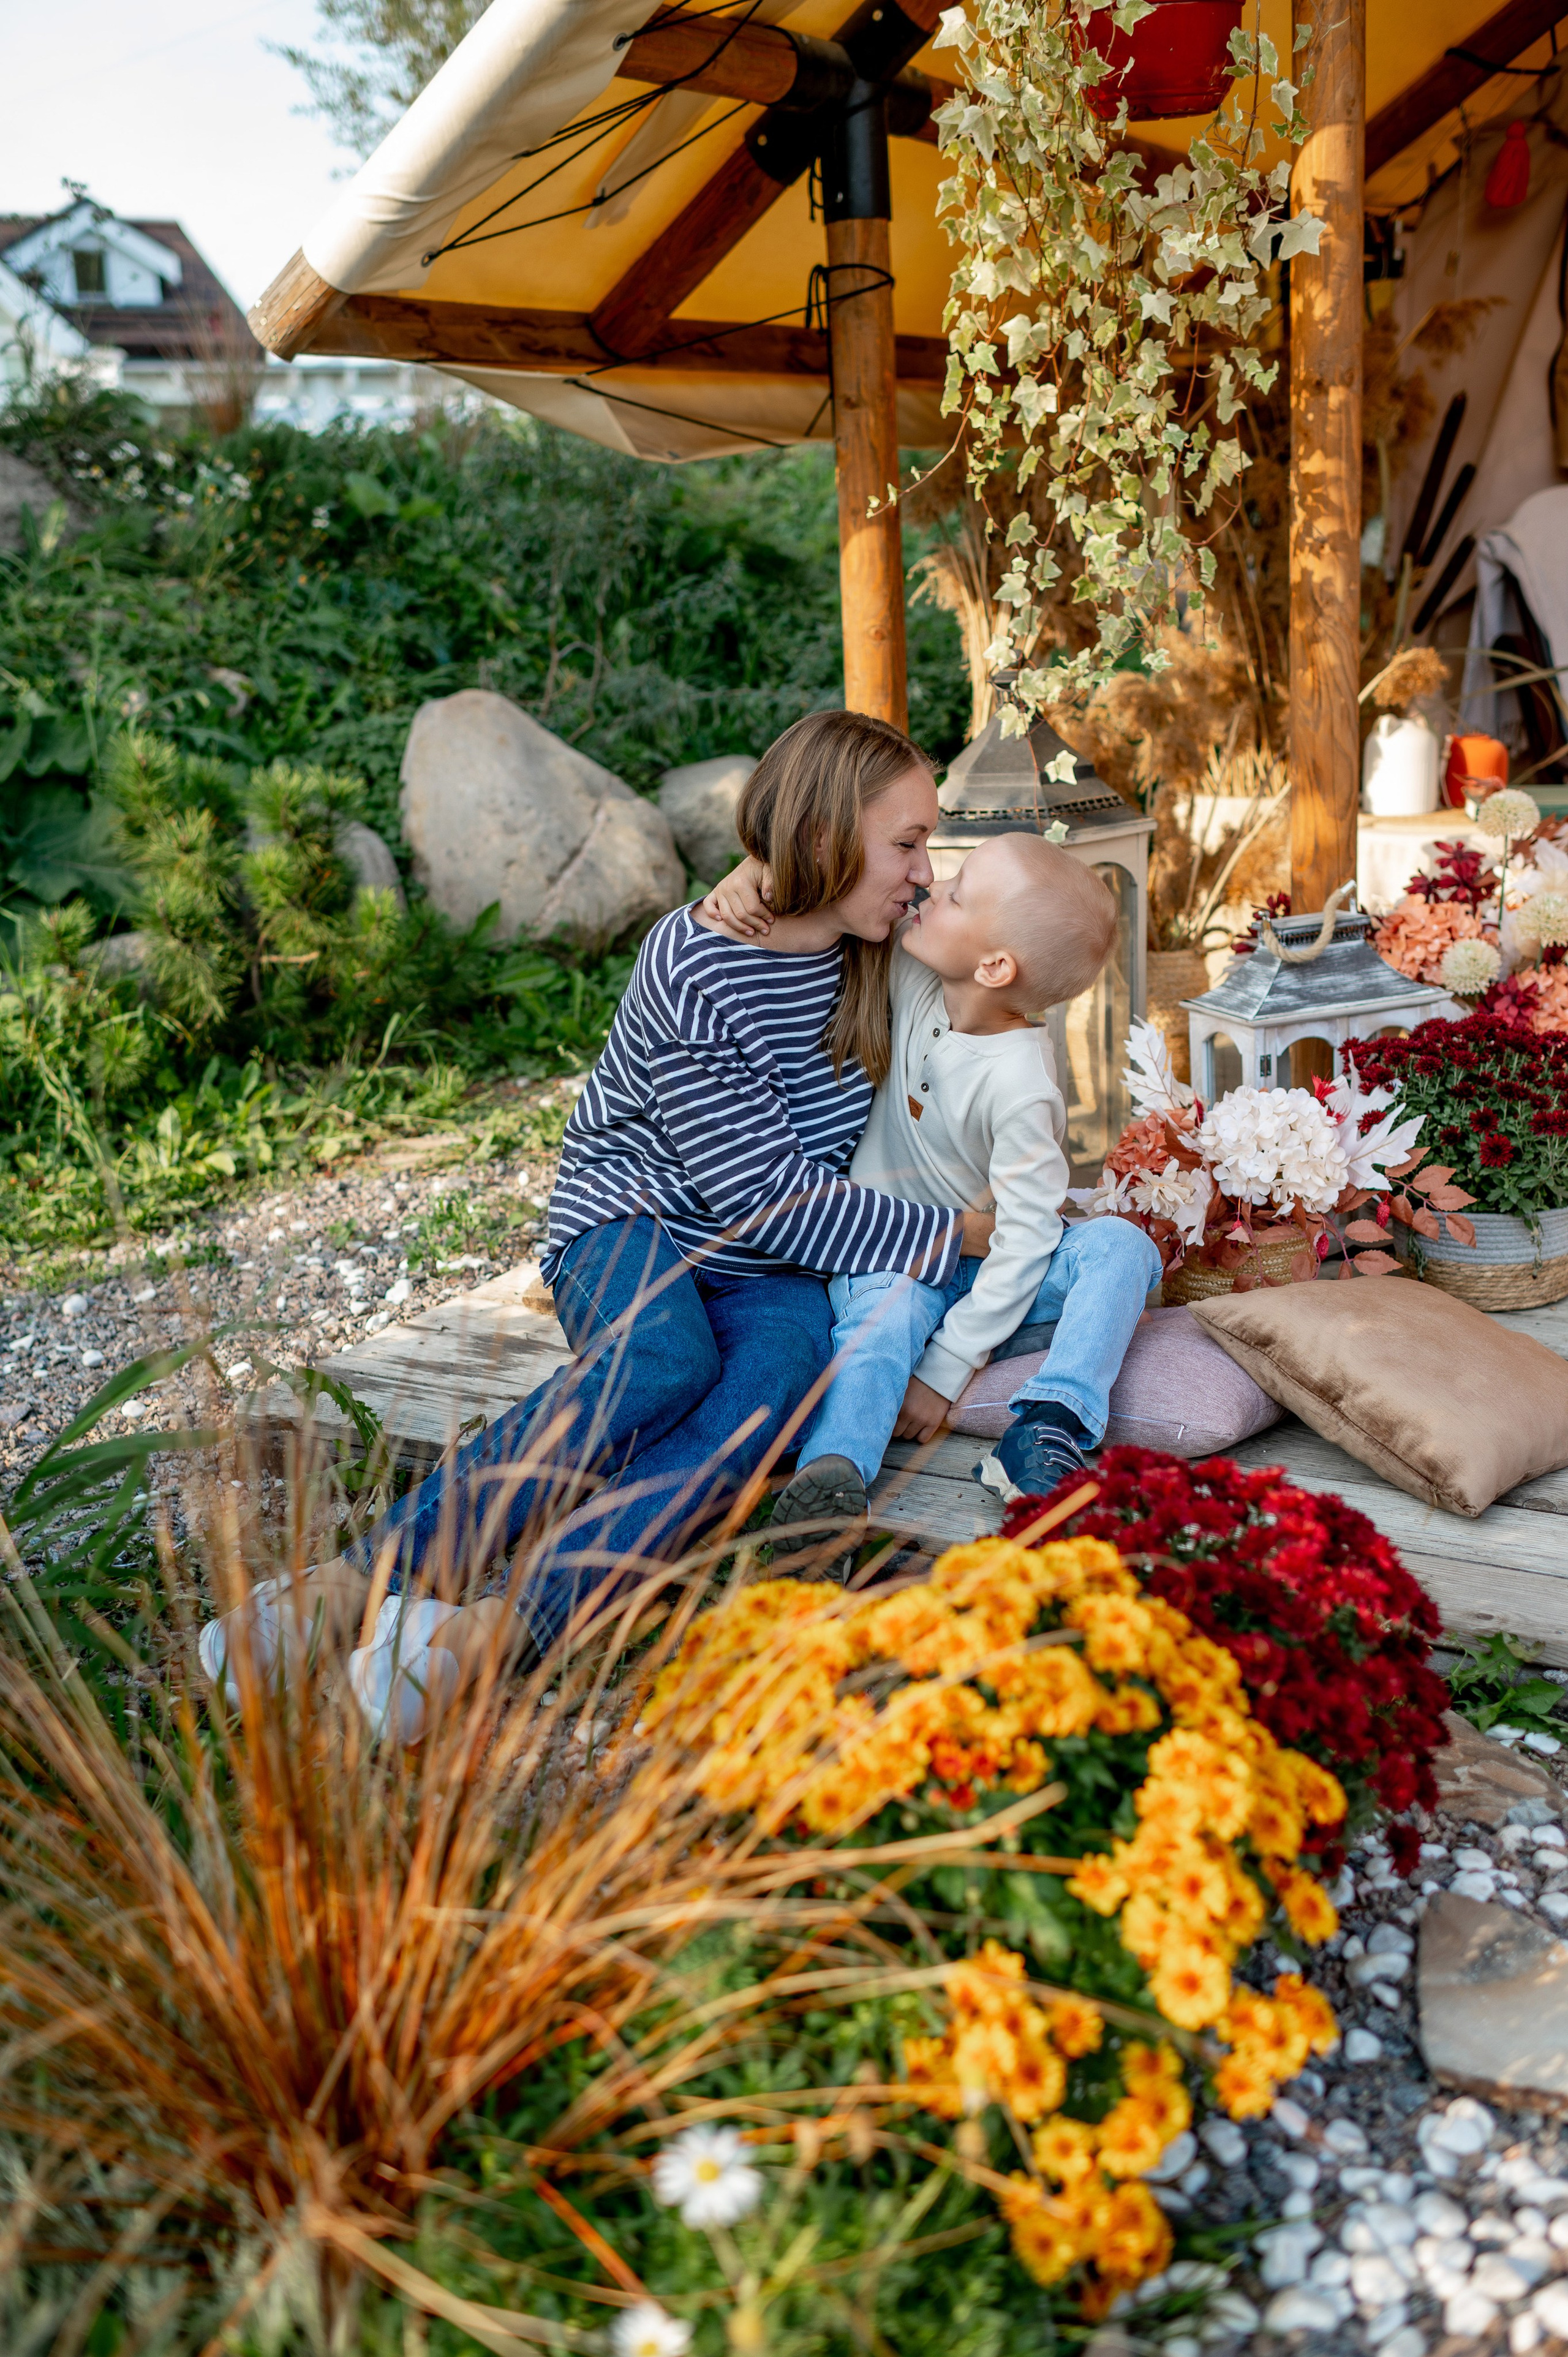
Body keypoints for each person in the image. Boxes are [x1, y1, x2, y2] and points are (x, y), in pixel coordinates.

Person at [199, 709, 997, 1739]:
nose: (927, 868)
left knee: (760, 1404)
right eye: (908, 841)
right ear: (823, 838)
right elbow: (765, 1196)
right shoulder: (696, 961)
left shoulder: (882, 946)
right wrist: (955, 1236)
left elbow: (1021, 938)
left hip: (779, 1273)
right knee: (661, 1359)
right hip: (637, 1219)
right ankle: (356, 1586)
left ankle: (492, 1630)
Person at [702, 831, 1161, 1534]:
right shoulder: (917, 971)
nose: (929, 888)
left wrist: (946, 1367)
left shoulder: (1021, 1086)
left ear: (996, 964)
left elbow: (1027, 1236)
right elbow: (832, 897)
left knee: (1121, 1247)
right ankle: (834, 1478)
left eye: (957, 893)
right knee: (880, 1323)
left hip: (991, 1272)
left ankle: (1049, 1421)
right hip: (892, 1258)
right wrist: (753, 870)